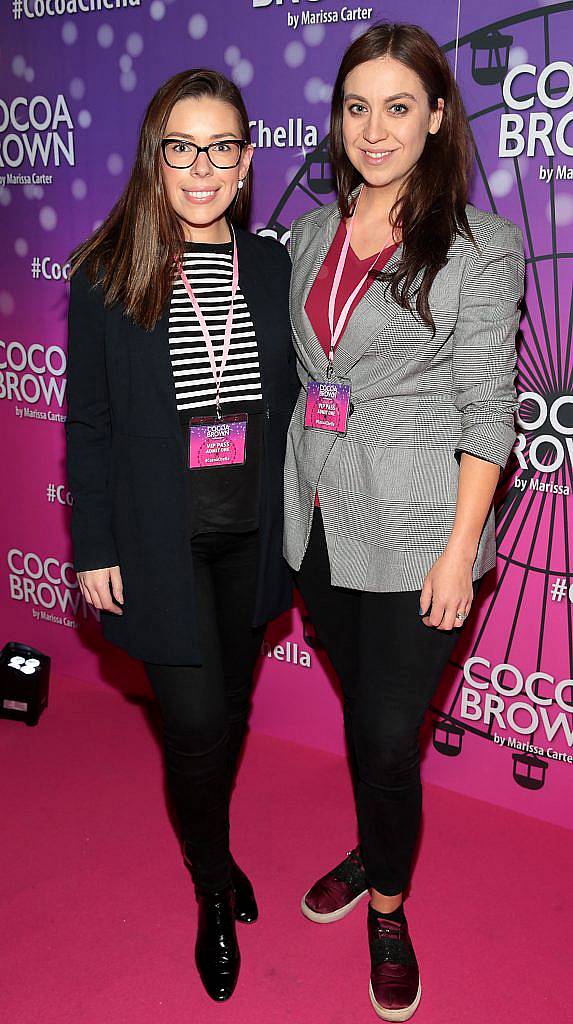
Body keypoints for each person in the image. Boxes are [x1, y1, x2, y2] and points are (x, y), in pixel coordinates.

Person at [284, 22, 524, 1022]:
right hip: (320, 523)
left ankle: (388, 906)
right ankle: (375, 843)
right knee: (369, 722)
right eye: (355, 106)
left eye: (396, 106)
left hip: (424, 533)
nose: (373, 128)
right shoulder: (305, 237)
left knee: (386, 736)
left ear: (435, 117)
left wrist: (461, 551)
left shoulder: (479, 246)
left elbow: (488, 411)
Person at [66, 69, 298, 1003]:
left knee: (229, 716)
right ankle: (212, 887)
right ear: (155, 158)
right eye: (182, 147)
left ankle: (212, 847)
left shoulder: (273, 266)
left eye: (221, 148)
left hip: (251, 533)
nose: (201, 168)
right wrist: (93, 546)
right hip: (160, 541)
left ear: (245, 161)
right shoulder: (105, 271)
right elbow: (88, 424)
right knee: (196, 728)